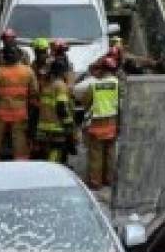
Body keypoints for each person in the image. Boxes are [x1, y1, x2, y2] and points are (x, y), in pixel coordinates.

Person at [0, 42, 39, 161]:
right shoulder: (27, 71)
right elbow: (34, 91)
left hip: (1, 111)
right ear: (19, 55)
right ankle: (21, 161)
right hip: (20, 112)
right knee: (19, 139)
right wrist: (33, 106)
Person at [75, 57, 120, 189]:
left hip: (97, 124)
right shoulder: (118, 83)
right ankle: (109, 180)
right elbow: (121, 103)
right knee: (110, 152)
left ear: (102, 70)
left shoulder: (94, 85)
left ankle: (95, 182)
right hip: (112, 122)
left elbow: (85, 102)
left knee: (96, 154)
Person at [34, 54, 76, 163]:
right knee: (56, 153)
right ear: (62, 72)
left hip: (43, 127)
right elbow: (61, 106)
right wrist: (69, 124)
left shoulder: (46, 85)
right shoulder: (60, 85)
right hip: (57, 127)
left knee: (44, 154)